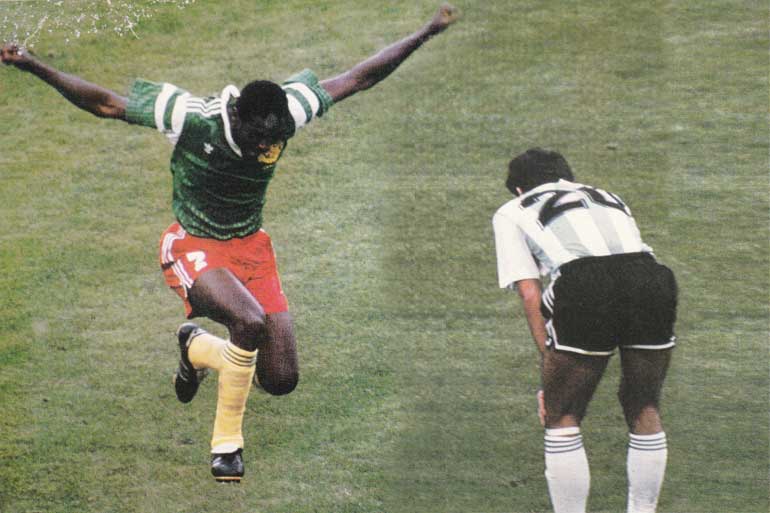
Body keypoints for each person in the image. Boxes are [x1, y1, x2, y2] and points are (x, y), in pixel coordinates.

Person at [2, 3, 459, 483]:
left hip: (251, 249)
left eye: (273, 141)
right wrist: (34, 66)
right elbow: (107, 104)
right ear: (237, 116)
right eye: (259, 139)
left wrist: (426, 32)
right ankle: (226, 446)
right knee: (248, 320)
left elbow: (359, 77)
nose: (266, 148)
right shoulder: (192, 119)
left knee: (280, 379)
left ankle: (197, 348)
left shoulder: (286, 112)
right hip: (193, 244)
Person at [492, 148, 677, 513]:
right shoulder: (608, 196)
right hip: (651, 278)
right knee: (644, 404)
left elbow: (529, 291)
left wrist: (550, 369)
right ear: (567, 178)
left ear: (519, 189)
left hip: (584, 282)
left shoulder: (511, 210)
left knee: (562, 412)